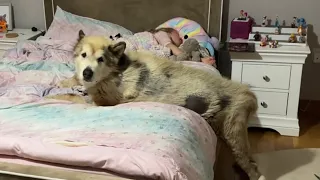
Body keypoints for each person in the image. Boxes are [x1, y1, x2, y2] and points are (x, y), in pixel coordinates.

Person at [150, 28, 216, 67]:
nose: (181, 39)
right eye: (178, 36)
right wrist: (200, 61)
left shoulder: (160, 48)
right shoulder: (161, 33)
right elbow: (180, 54)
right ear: (169, 33)